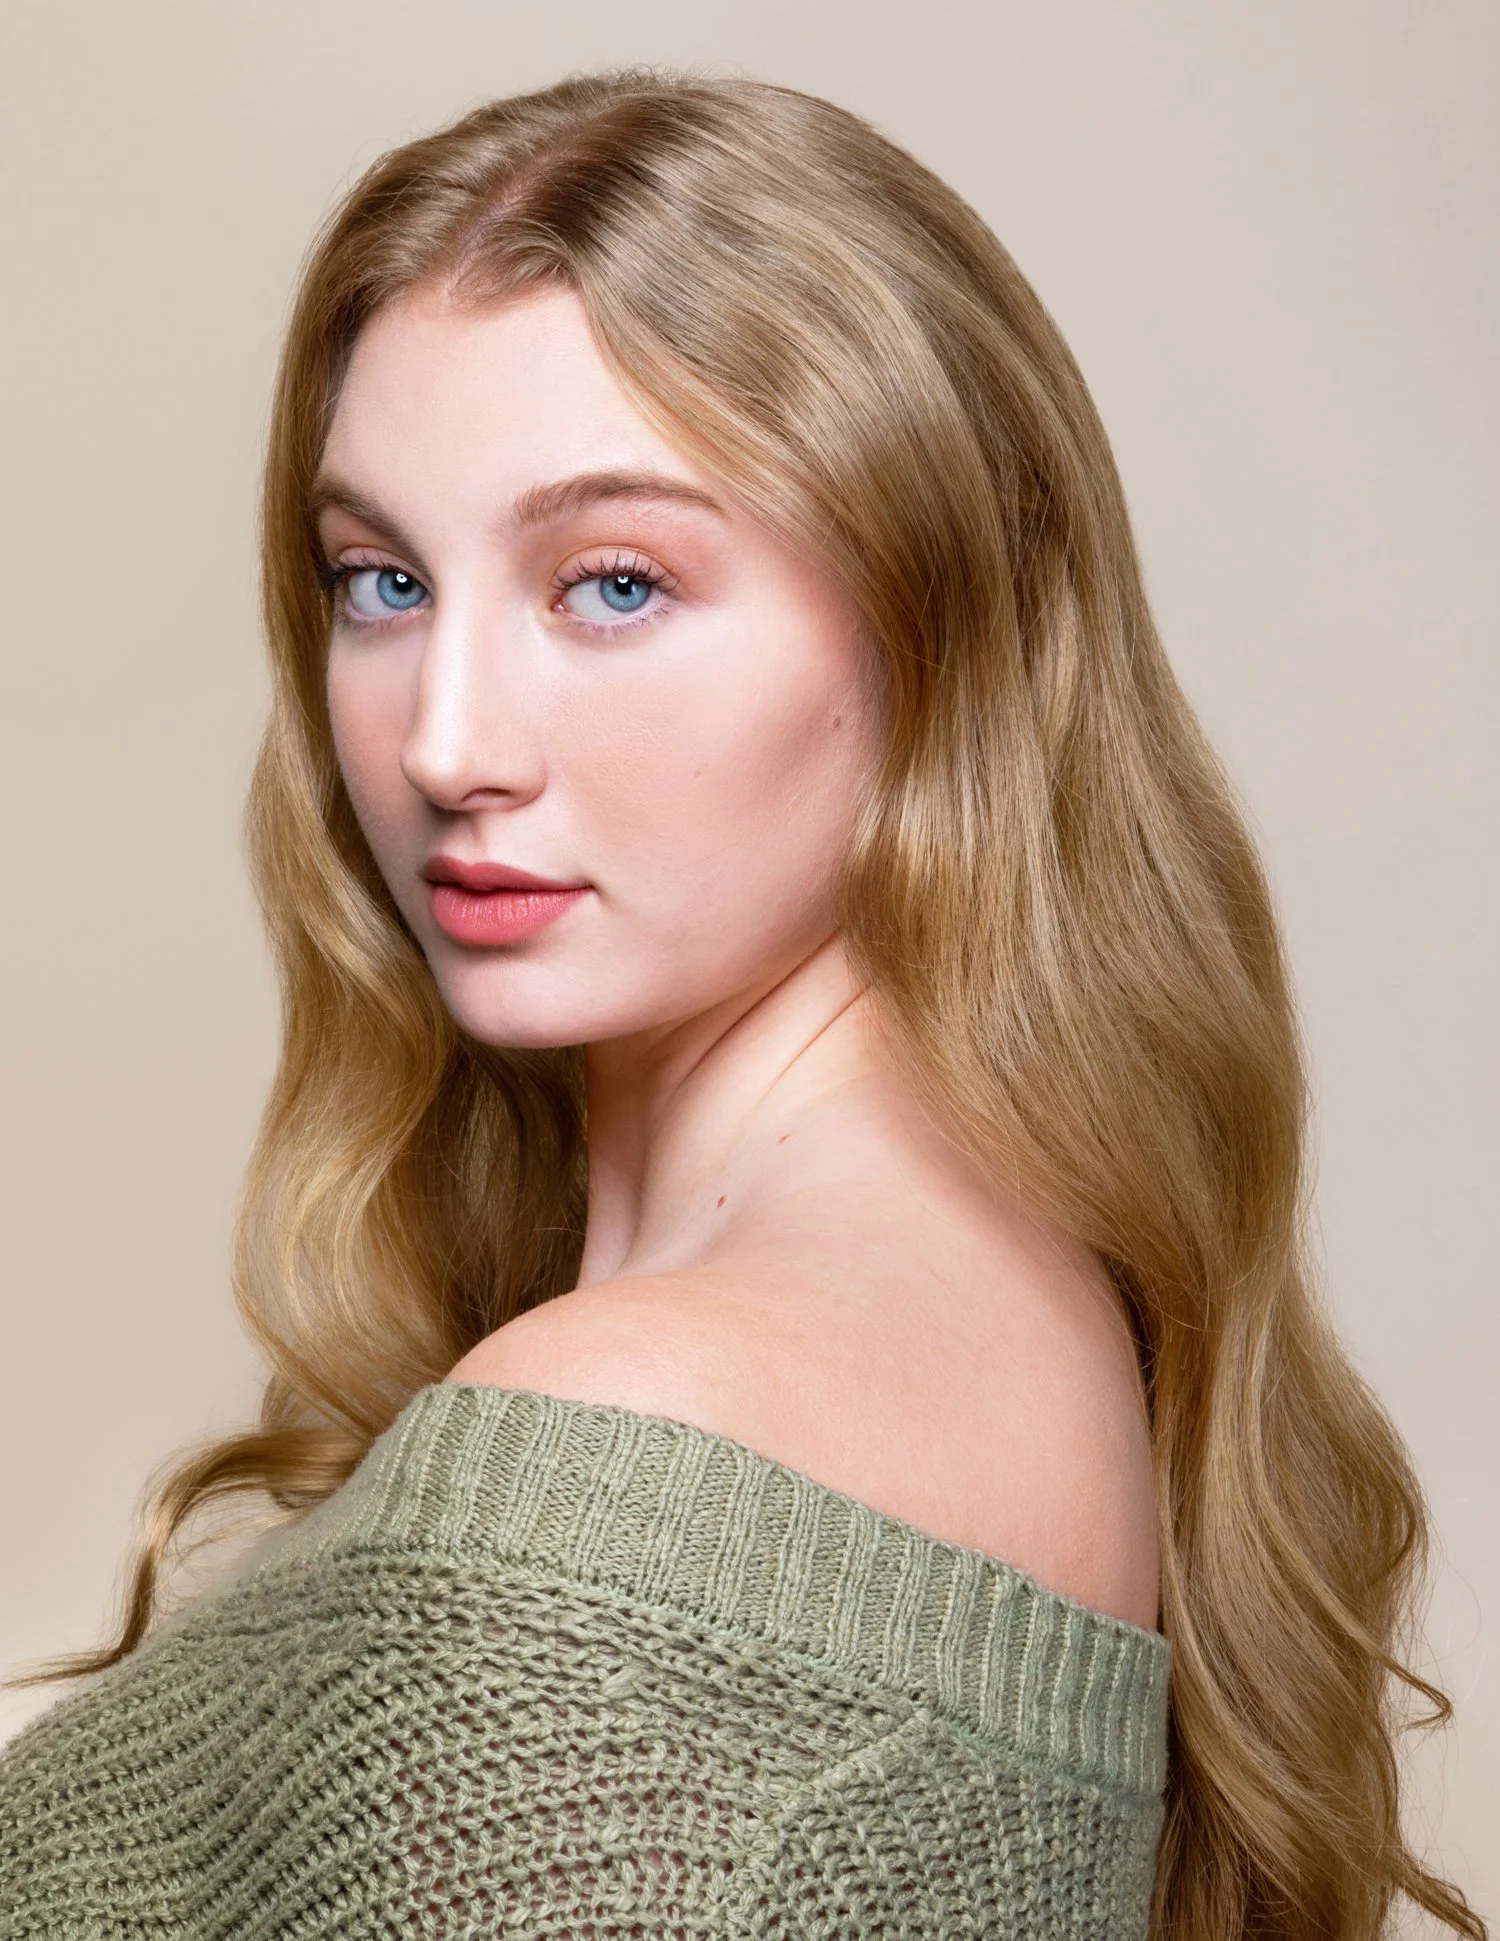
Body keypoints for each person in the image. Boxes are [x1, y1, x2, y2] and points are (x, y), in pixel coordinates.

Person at [0, 68, 1481, 1941]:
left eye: (612, 584)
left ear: (935, 619)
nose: (445, 742)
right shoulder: (1009, 1330)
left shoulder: (647, 1441)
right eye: (379, 581)